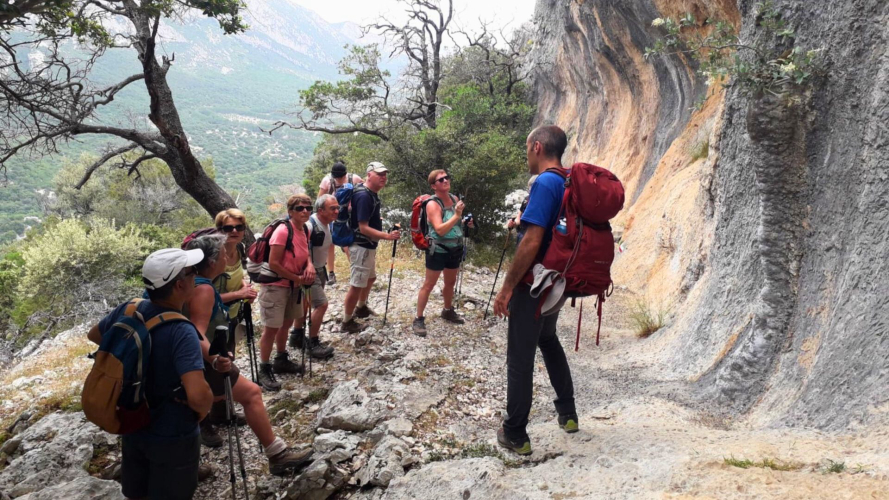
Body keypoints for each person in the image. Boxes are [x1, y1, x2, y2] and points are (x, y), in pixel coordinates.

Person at [87, 248, 213, 500]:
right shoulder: (181, 330)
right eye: (193, 272)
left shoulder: (130, 309)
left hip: (132, 420)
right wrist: (202, 410)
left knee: (138, 492)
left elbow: (95, 335)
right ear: (179, 285)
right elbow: (198, 395)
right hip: (173, 432)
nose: (196, 277)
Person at [184, 234, 313, 475]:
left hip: (193, 359)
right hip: (203, 359)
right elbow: (195, 331)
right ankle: (277, 455)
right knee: (252, 394)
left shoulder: (192, 282)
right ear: (212, 262)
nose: (227, 258)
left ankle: (186, 464)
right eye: (223, 255)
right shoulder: (203, 289)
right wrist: (214, 358)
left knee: (194, 406)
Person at [492, 125, 578, 456]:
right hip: (558, 281)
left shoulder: (544, 182)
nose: (526, 154)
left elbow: (532, 240)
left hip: (534, 284)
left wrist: (507, 288)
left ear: (538, 147)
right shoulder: (568, 180)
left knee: (520, 355)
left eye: (527, 148)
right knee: (548, 339)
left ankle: (515, 433)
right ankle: (568, 414)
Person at [257, 194, 316, 390]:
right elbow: (274, 263)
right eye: (300, 208)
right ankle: (264, 368)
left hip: (293, 285)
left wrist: (309, 266)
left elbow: (305, 253)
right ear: (290, 211)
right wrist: (297, 278)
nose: (305, 211)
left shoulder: (305, 229)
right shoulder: (283, 231)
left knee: (286, 324)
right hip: (275, 286)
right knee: (271, 328)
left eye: (308, 208)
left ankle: (281, 359)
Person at [412, 169, 473, 336]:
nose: (445, 180)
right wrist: (457, 215)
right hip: (438, 249)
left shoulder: (454, 199)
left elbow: (455, 224)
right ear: (433, 186)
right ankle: (418, 318)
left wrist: (465, 222)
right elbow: (439, 229)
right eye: (441, 180)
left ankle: (447, 310)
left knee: (450, 282)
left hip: (455, 248)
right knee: (429, 284)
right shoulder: (433, 204)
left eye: (446, 178)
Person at [341, 161, 400, 333]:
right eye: (379, 174)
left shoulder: (370, 193)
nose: (383, 177)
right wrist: (387, 236)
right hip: (361, 246)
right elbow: (363, 228)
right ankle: (347, 321)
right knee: (357, 285)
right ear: (369, 175)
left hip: (367, 245)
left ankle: (361, 307)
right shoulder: (364, 196)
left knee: (370, 278)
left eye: (385, 174)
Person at [288, 194, 338, 359]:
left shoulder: (327, 223)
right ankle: (313, 343)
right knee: (321, 304)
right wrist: (308, 266)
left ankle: (296, 335)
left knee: (306, 303)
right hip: (309, 271)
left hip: (319, 269)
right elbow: (301, 248)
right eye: (332, 208)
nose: (336, 211)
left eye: (337, 208)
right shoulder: (310, 225)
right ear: (321, 210)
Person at [317, 161, 363, 286]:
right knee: (330, 243)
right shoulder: (327, 181)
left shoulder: (354, 179)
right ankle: (331, 273)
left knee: (348, 243)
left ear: (345, 174)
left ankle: (356, 271)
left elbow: (364, 192)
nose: (338, 180)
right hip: (331, 217)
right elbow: (319, 201)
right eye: (336, 177)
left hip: (349, 217)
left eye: (340, 177)